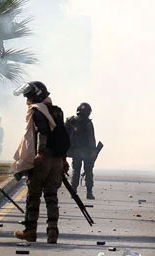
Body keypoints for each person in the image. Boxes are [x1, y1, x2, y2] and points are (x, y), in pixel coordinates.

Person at [12, 81, 70, 244]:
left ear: (36, 95)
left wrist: (40, 153)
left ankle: (30, 231)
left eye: (28, 96)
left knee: (34, 196)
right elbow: (61, 134)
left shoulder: (38, 111)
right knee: (52, 196)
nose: (27, 100)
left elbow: (42, 133)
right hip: (57, 160)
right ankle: (52, 232)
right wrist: (63, 159)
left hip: (43, 159)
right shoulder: (57, 111)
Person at [65, 102, 97, 199]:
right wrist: (93, 151)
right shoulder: (87, 123)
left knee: (76, 171)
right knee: (88, 172)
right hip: (86, 151)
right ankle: (89, 193)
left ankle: (73, 192)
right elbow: (91, 138)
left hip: (75, 151)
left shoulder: (70, 121)